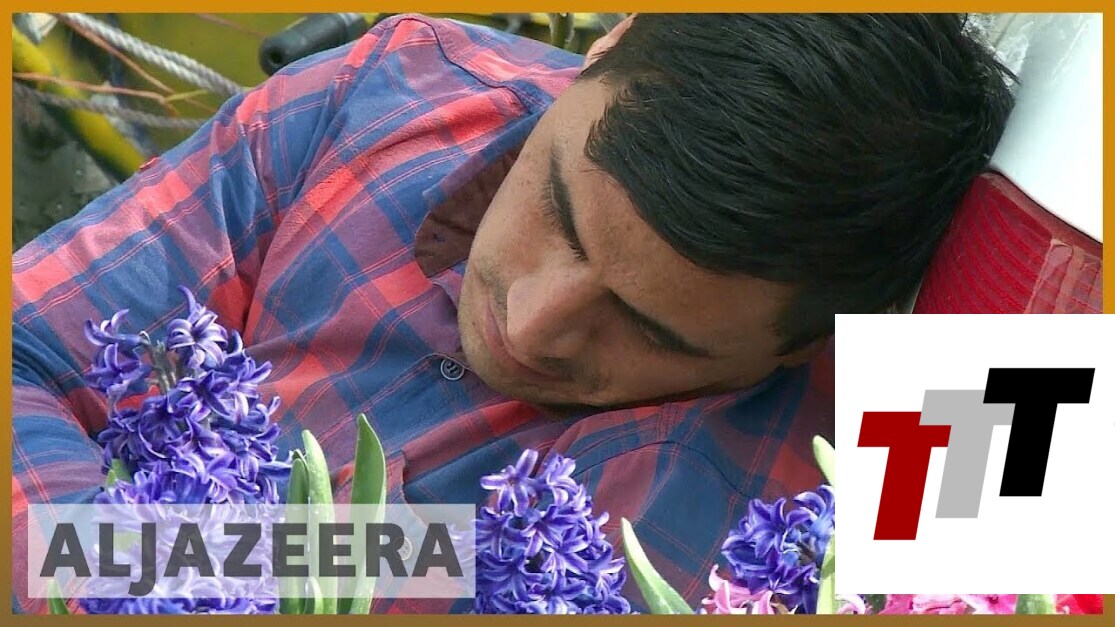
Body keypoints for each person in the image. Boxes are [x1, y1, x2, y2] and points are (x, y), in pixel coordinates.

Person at [11, 13, 1014, 613]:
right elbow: (24, 347)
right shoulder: (387, 93)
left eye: (651, 330)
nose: (531, 326)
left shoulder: (921, 480)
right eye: (558, 209)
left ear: (807, 343)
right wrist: (157, 574)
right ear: (607, 44)